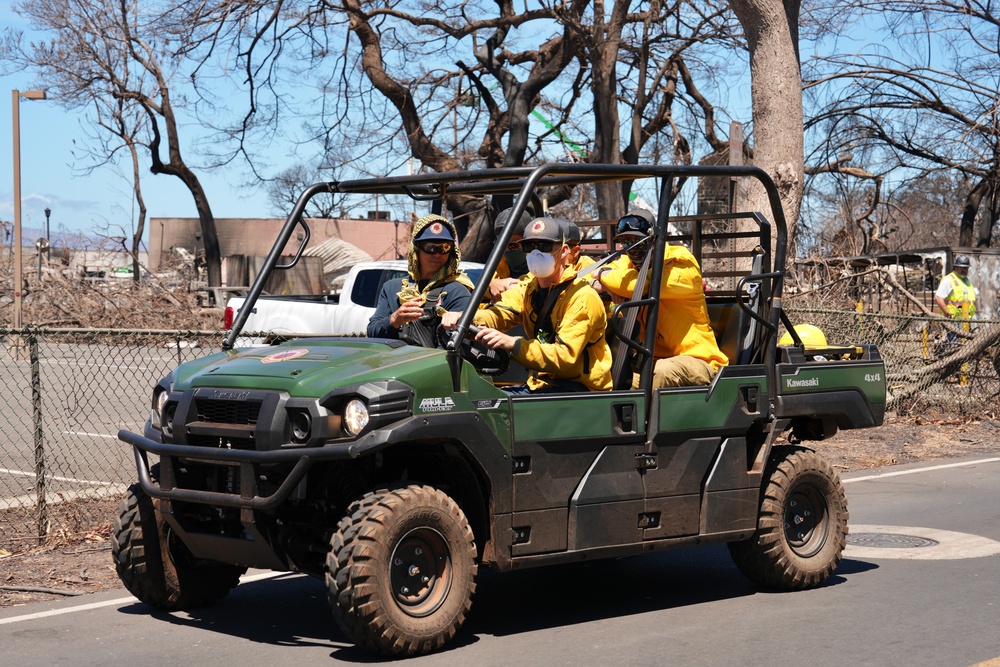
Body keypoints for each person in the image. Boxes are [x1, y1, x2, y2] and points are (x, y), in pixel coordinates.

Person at [444, 217, 612, 394]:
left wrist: (513, 344)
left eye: (544, 246)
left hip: (580, 391)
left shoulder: (581, 296)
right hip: (542, 383)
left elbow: (564, 356)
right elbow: (499, 313)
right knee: (476, 400)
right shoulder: (529, 288)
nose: (535, 253)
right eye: (529, 246)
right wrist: (466, 318)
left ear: (563, 251)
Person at [593, 208, 727, 388]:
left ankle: (646, 417)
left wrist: (602, 275)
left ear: (654, 239)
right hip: (651, 361)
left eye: (638, 241)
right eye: (626, 242)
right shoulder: (629, 263)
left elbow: (639, 284)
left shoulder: (680, 261)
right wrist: (607, 285)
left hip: (698, 361)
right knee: (606, 376)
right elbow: (589, 279)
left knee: (662, 371)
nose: (632, 249)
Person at [367, 214, 474, 346]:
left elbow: (456, 347)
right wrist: (395, 319)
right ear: (416, 249)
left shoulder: (456, 291)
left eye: (444, 247)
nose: (437, 254)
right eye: (430, 247)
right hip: (392, 364)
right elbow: (372, 332)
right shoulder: (391, 289)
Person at [488, 207, 533, 302]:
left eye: (513, 245)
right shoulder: (497, 269)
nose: (507, 250)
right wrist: (491, 285)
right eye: (502, 245)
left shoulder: (544, 268)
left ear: (528, 243)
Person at [934, 254, 977, 324]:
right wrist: (946, 312)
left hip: (966, 320)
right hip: (953, 320)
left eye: (966, 268)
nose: (964, 270)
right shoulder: (949, 280)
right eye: (962, 268)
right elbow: (938, 297)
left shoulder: (967, 281)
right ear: (956, 268)